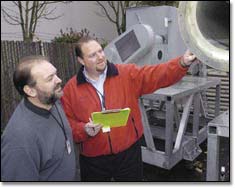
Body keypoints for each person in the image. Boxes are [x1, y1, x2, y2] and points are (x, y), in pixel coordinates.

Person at [61, 36, 196, 181]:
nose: (100, 57)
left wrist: (181, 63)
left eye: (100, 51)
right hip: (93, 159)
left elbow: (156, 75)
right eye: (93, 55)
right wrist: (83, 129)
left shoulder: (125, 74)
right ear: (81, 60)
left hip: (128, 154)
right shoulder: (71, 89)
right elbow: (67, 124)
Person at [1, 56, 76, 181]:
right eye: (50, 78)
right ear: (30, 91)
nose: (59, 80)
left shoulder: (51, 100)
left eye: (55, 74)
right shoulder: (20, 139)